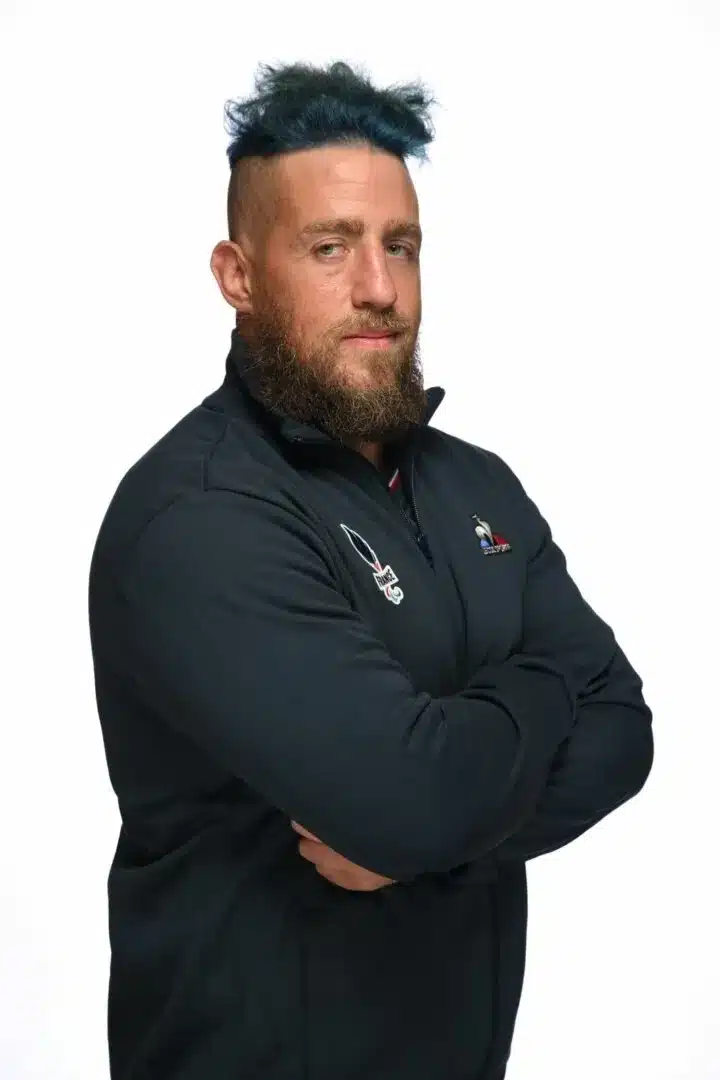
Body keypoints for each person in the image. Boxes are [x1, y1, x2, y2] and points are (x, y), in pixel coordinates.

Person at [88, 59, 654, 1080]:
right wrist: (542, 691)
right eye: (330, 246)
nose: (380, 289)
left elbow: (623, 733)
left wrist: (441, 829)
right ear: (237, 276)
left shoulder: (475, 484)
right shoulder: (200, 517)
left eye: (400, 245)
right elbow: (413, 802)